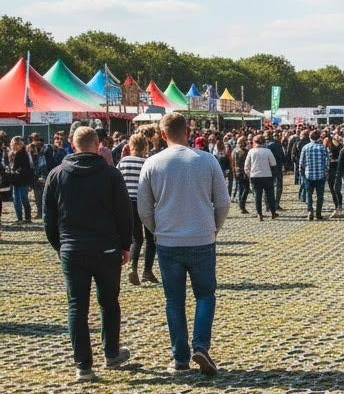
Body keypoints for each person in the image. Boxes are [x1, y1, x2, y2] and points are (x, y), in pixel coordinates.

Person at [138, 112, 231, 374]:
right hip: (202, 238)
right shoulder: (207, 160)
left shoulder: (152, 163)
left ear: (163, 134)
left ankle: (180, 358)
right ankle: (201, 345)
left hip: (168, 241)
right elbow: (223, 203)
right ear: (188, 132)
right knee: (205, 295)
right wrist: (214, 228)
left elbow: (144, 208)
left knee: (174, 301)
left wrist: (157, 231)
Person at [42, 126, 133, 380]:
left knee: (77, 308)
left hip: (73, 249)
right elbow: (124, 214)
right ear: (97, 145)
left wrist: (59, 246)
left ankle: (83, 365)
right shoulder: (111, 175)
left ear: (72, 144)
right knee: (109, 303)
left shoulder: (56, 175)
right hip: (106, 249)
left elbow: (49, 219)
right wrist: (126, 245)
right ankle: (111, 353)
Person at [118, 131, 158, 285]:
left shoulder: (123, 162)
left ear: (130, 145)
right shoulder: (148, 162)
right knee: (151, 239)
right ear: (145, 146)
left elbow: (118, 181)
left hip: (128, 203)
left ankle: (133, 267)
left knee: (136, 238)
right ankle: (147, 271)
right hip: (146, 203)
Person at [244, 135, 279, 221]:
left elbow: (246, 166)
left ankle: (259, 214)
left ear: (254, 142)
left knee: (257, 196)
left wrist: (249, 174)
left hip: (255, 176)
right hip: (267, 175)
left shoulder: (251, 152)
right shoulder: (267, 151)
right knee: (270, 195)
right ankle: (273, 212)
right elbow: (273, 163)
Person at [299, 129, 331, 221]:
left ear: (310, 137)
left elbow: (301, 162)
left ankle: (310, 211)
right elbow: (327, 161)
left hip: (308, 174)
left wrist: (302, 172)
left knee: (309, 195)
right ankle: (318, 213)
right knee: (320, 196)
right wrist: (326, 171)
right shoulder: (322, 148)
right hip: (320, 175)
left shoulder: (305, 147)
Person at [8, 136, 34, 224]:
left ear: (19, 144)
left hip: (23, 180)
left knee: (23, 198)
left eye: (15, 144)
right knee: (16, 199)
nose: (13, 145)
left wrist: (15, 170)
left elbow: (28, 168)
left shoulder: (24, 153)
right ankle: (19, 218)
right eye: (13, 144)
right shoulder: (12, 153)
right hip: (16, 180)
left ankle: (27, 218)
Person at [231, 137, 250, 214]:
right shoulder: (243, 151)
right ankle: (242, 204)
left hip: (237, 171)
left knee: (241, 188)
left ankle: (241, 205)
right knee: (246, 189)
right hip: (242, 172)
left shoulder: (234, 151)